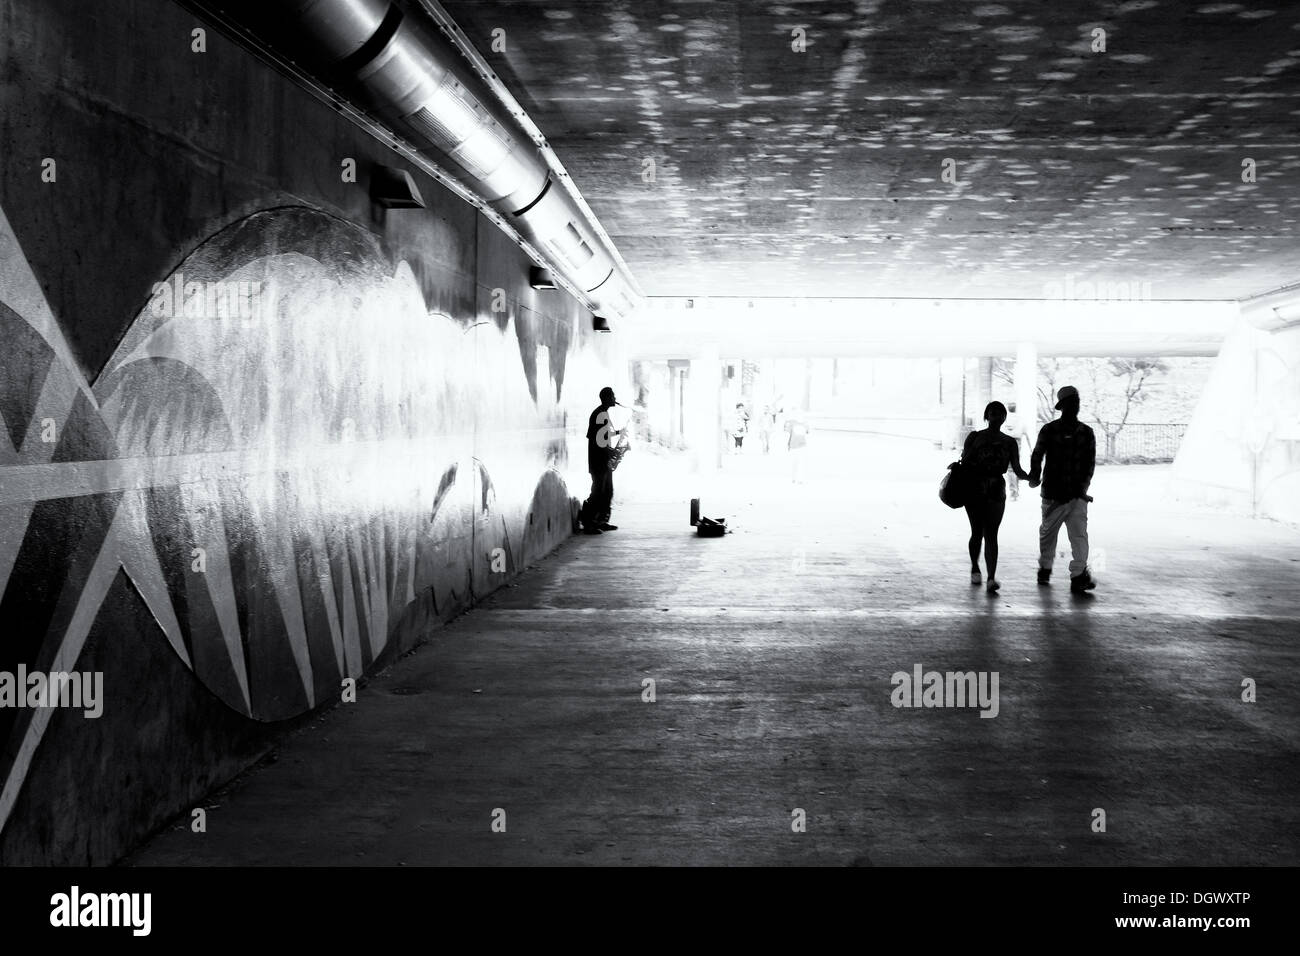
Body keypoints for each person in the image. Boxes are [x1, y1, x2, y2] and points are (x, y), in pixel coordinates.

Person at [1028, 385, 1097, 593]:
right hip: (1054, 495)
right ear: (1062, 406)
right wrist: (1034, 474)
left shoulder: (1086, 432)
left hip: (1075, 496)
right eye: (1071, 403)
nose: (1075, 406)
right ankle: (1045, 568)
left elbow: (1089, 464)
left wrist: (1082, 488)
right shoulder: (1050, 430)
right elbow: (1037, 455)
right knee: (1048, 535)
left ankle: (1078, 575)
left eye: (1076, 402)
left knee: (1079, 537)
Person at [961, 401, 1030, 594]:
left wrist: (1030, 477)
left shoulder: (1009, 443)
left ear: (1004, 417)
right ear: (987, 415)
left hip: (994, 489)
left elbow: (1016, 469)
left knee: (990, 534)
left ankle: (990, 576)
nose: (997, 416)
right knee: (977, 532)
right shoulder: (975, 437)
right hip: (976, 488)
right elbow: (964, 460)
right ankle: (975, 567)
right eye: (993, 413)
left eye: (1000, 413)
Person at [579, 387, 622, 535]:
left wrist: (617, 434)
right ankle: (588, 522)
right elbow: (598, 440)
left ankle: (601, 521)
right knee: (597, 492)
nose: (615, 398)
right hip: (599, 461)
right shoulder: (600, 415)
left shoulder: (602, 413)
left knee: (607, 491)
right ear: (607, 398)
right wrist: (611, 451)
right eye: (613, 396)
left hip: (603, 460)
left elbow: (602, 436)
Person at [785, 409, 809, 483]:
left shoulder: (804, 424)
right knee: (795, 463)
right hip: (794, 446)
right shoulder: (793, 423)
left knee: (799, 463)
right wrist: (788, 444)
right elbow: (788, 433)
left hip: (800, 446)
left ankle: (798, 478)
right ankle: (794, 478)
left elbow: (807, 432)